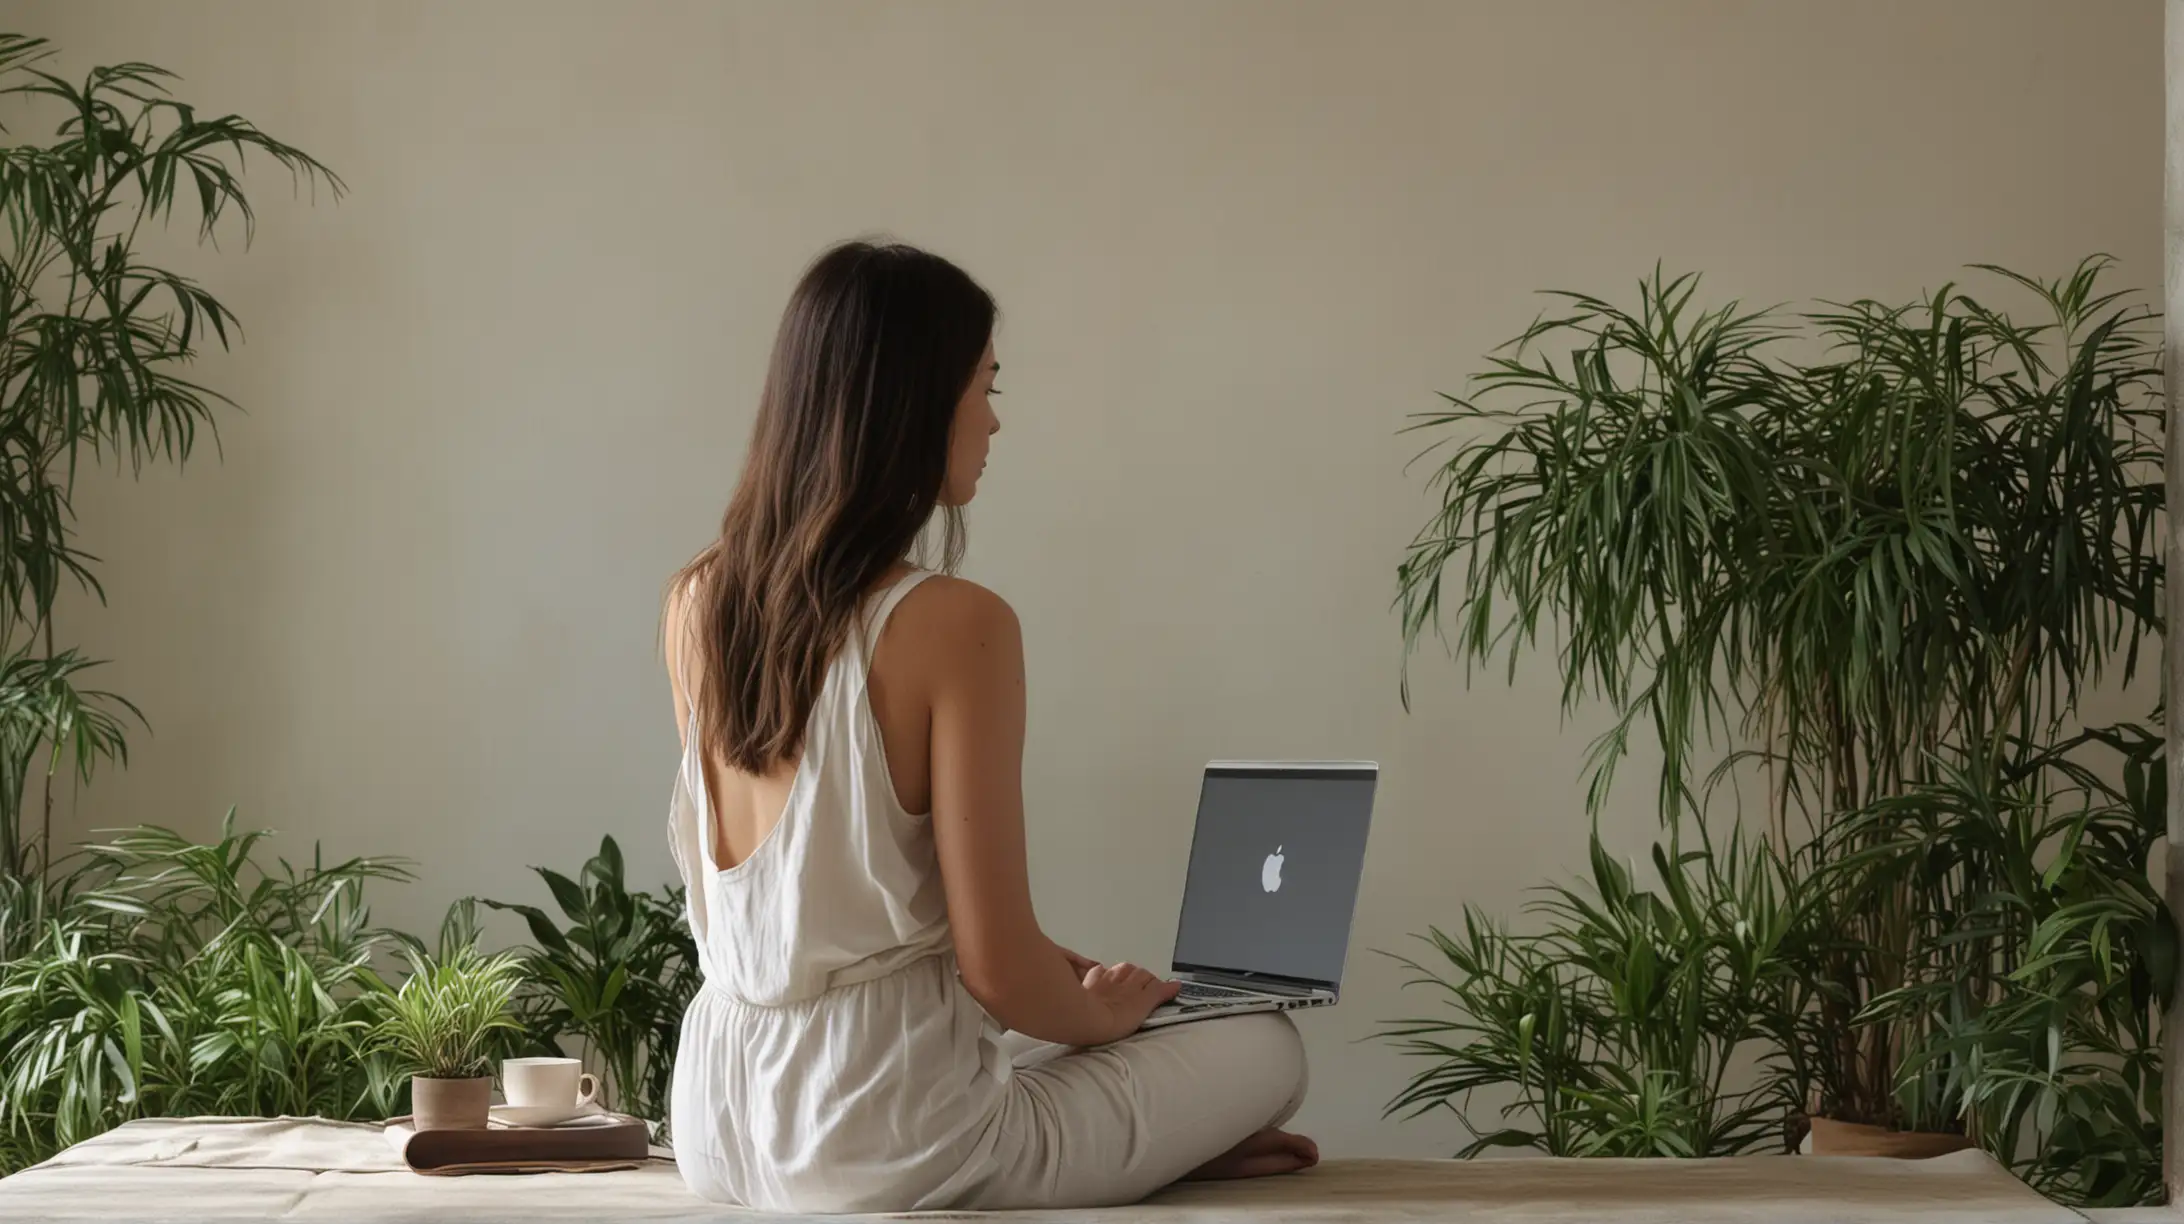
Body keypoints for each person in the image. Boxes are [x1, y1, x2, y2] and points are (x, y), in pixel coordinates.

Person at [661, 241, 1315, 1213]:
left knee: (1108, 1019)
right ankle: (1153, 1145)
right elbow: (996, 974)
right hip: (888, 1142)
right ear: (914, 404)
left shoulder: (697, 601)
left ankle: (1142, 1138)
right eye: (984, 385)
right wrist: (1099, 1020)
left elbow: (832, 904)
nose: (995, 418)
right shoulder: (955, 625)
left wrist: (1076, 986)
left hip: (719, 1118)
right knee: (1262, 1041)